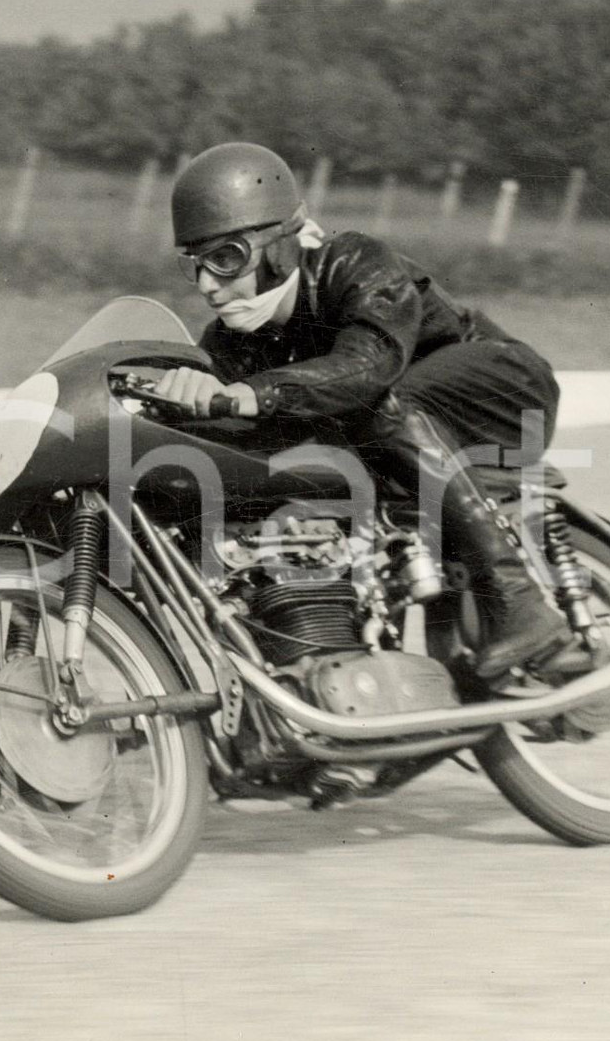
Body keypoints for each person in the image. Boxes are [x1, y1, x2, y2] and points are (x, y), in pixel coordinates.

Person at [156, 142, 573, 680]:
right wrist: (183, 394)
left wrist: (256, 393)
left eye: (226, 258)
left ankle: (518, 599)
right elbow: (234, 422)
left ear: (281, 242)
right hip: (405, 443)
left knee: (381, 401)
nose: (208, 284)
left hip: (502, 399)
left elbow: (368, 365)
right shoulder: (233, 340)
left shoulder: (353, 263)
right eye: (195, 263)